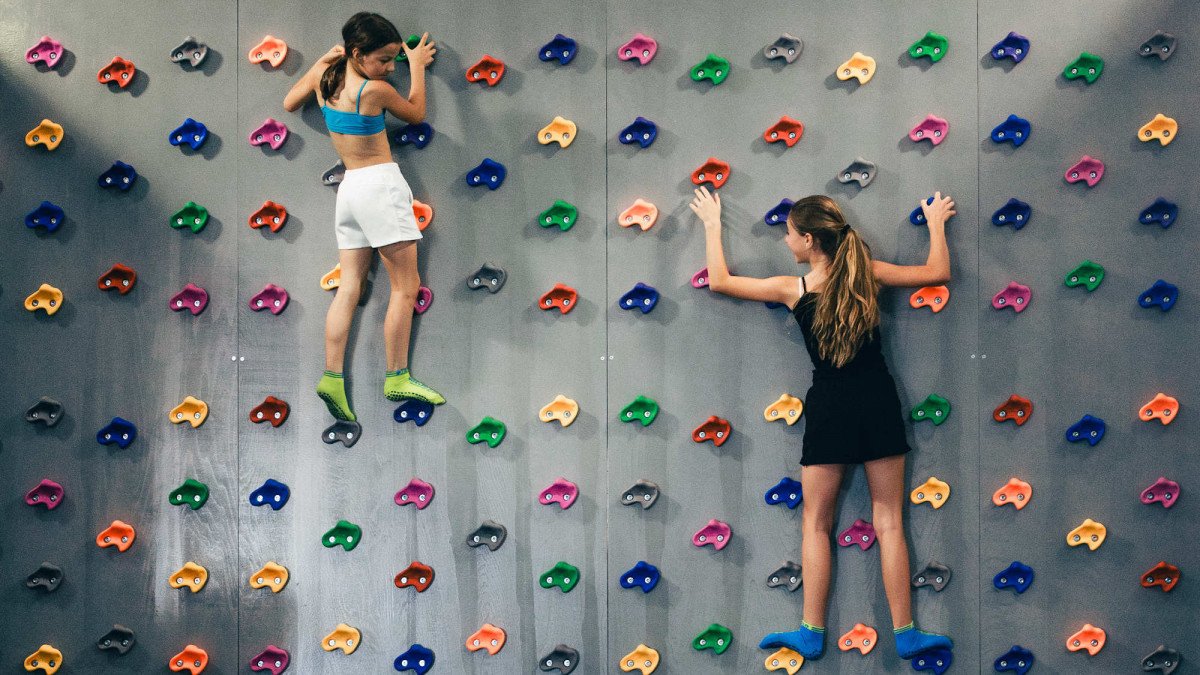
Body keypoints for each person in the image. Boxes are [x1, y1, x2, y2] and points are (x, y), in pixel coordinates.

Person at [688, 187, 956, 661]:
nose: (785, 240)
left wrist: (711, 224)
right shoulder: (866, 275)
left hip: (830, 406)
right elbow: (937, 272)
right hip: (877, 400)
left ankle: (810, 632)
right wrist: (936, 225)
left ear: (810, 241)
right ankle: (907, 633)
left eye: (789, 234)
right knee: (889, 521)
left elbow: (721, 281)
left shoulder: (794, 289)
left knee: (815, 524)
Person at [283, 12, 443, 421]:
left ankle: (332, 378)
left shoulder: (325, 76)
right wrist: (419, 69)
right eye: (385, 59)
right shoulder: (374, 91)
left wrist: (322, 61)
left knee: (350, 286)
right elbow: (416, 113)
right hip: (380, 187)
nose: (392, 67)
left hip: (350, 189)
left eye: (395, 60)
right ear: (358, 53)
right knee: (406, 287)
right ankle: (397, 376)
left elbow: (289, 102)